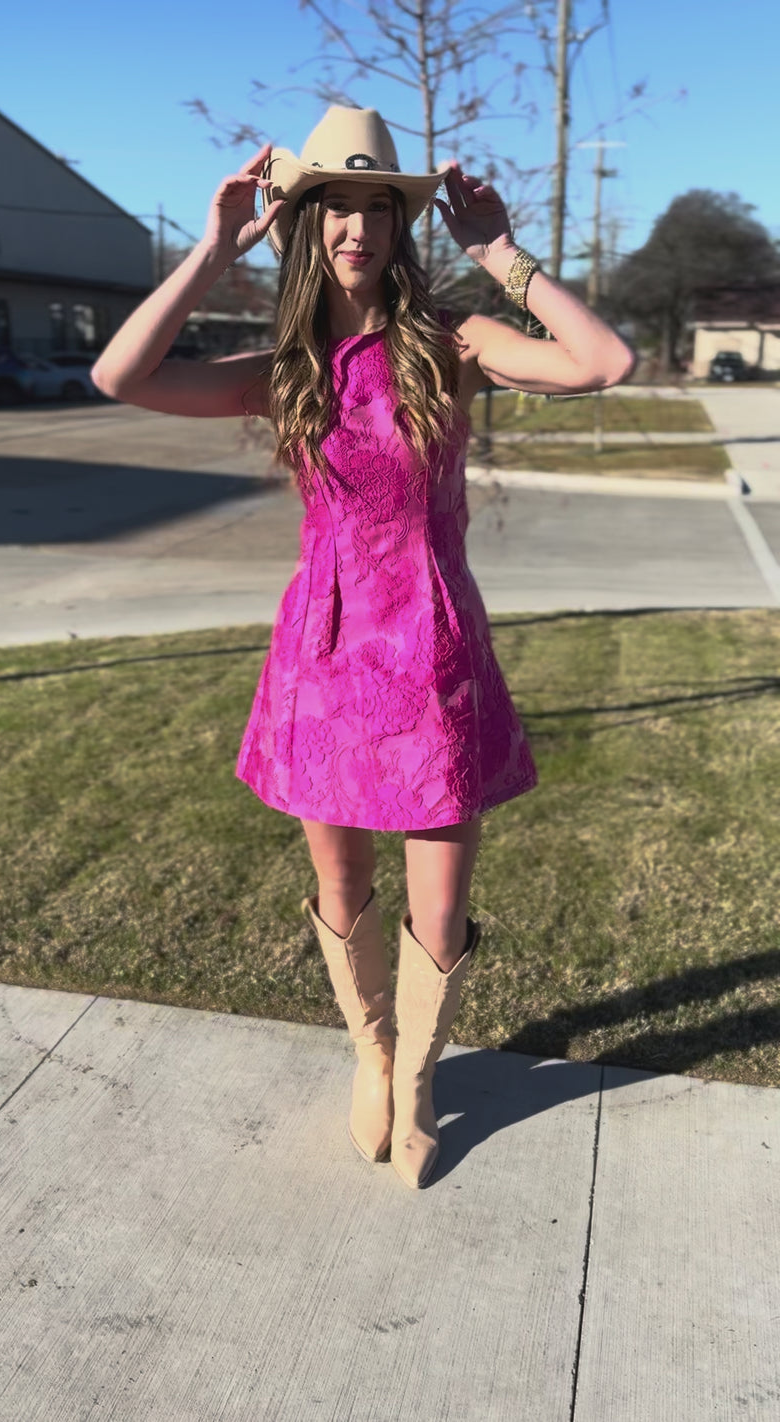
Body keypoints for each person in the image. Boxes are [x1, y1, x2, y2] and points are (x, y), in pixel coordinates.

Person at [91, 106, 636, 1190]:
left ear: (399, 225)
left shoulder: (453, 344)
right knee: (341, 886)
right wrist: (211, 250)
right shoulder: (287, 367)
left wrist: (500, 256)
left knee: (438, 904)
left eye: (375, 206)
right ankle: (373, 1056)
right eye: (334, 204)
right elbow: (120, 375)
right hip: (323, 656)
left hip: (430, 654)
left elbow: (602, 361)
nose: (354, 226)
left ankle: (424, 1080)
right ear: (306, 222)